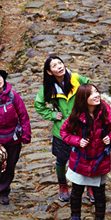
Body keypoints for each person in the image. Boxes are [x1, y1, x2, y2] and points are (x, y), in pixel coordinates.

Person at [59, 83, 111, 220]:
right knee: (76, 192)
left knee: (99, 194)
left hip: (99, 160)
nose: (96, 95)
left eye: (97, 91)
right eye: (91, 94)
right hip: (80, 160)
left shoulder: (107, 113)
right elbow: (64, 131)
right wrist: (77, 140)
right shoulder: (77, 116)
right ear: (84, 99)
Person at [34, 56, 91, 202]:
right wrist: (53, 114)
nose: (59, 66)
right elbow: (38, 104)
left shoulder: (76, 79)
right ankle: (63, 185)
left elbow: (91, 89)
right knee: (61, 160)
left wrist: (88, 108)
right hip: (62, 131)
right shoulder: (49, 88)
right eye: (54, 65)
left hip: (82, 127)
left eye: (60, 63)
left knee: (87, 157)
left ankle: (90, 186)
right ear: (49, 72)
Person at [0, 67, 31, 211]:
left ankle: (4, 192)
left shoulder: (13, 96)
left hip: (14, 139)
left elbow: (23, 116)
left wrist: (26, 135)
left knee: (9, 168)